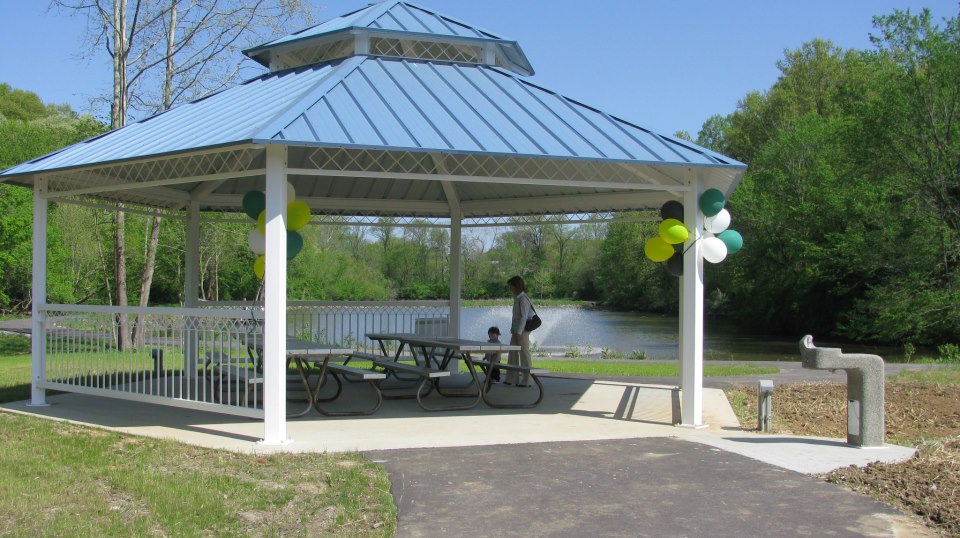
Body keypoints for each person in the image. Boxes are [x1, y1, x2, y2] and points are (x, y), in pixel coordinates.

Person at [506, 275, 534, 387]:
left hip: (522, 331)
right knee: (512, 353)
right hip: (516, 330)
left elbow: (524, 317)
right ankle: (511, 378)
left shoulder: (523, 299)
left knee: (524, 354)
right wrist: (513, 330)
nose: (510, 289)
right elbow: (515, 317)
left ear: (516, 286)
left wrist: (518, 333)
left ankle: (527, 380)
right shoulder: (517, 298)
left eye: (511, 286)